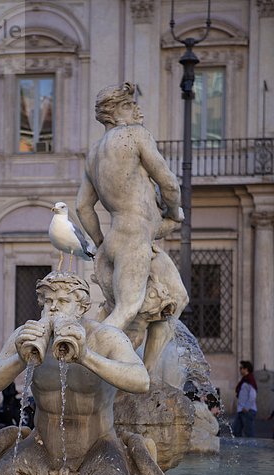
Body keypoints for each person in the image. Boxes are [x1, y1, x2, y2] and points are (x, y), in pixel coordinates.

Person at [0, 272, 177, 475]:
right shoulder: (27, 335)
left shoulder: (105, 337)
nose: (53, 307)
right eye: (47, 301)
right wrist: (20, 359)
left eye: (62, 300)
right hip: (43, 448)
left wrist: (86, 356)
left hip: (97, 447)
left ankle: (135, 471)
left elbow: (140, 381)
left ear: (82, 306)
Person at [76, 82, 188, 370]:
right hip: (135, 240)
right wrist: (175, 210)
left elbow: (83, 207)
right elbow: (169, 183)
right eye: (128, 105)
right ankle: (82, 366)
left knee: (174, 299)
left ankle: (145, 376)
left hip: (121, 238)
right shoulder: (135, 135)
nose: (137, 109)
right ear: (112, 114)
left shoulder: (93, 155)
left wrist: (102, 243)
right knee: (126, 312)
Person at [233, 360, 258, 437]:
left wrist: (246, 407)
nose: (240, 370)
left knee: (249, 433)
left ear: (246, 369)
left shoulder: (249, 380)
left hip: (247, 411)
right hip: (241, 410)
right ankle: (239, 448)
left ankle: (251, 448)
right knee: (236, 431)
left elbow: (253, 395)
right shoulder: (244, 380)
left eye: (241, 368)